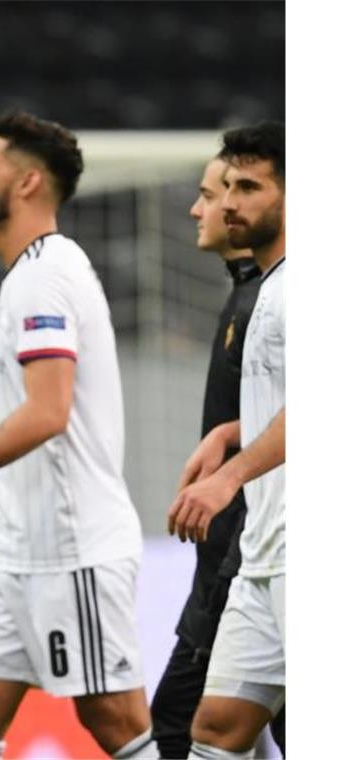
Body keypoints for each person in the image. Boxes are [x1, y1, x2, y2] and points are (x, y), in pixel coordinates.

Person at [0, 111, 159, 759]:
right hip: (16, 551)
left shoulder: (47, 276)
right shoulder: (30, 274)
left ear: (30, 182)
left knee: (116, 723)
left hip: (73, 547)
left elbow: (47, 411)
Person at [150, 155, 285, 758]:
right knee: (212, 731)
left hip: (267, 548)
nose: (220, 205)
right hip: (255, 554)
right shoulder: (262, 291)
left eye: (242, 188)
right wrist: (232, 431)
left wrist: (229, 474)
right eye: (220, 189)